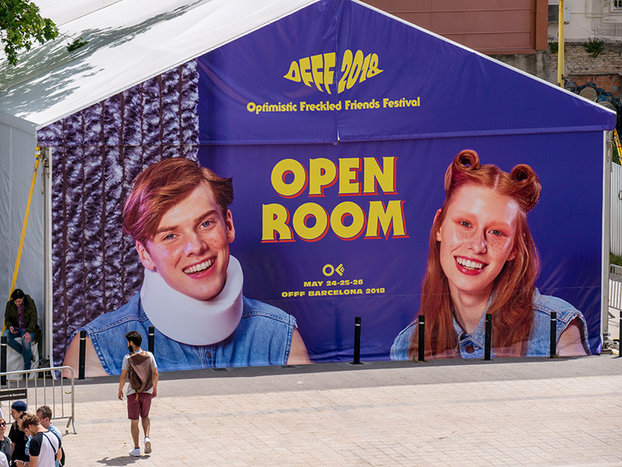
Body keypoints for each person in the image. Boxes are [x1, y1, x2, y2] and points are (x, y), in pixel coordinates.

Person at [63, 157, 310, 376]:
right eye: (170, 236)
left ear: (228, 225)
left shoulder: (280, 338)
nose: (196, 247)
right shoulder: (95, 351)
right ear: (145, 254)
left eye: (206, 224)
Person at [391, 149, 590, 360]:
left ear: (514, 248)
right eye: (465, 224)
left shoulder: (556, 328)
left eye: (496, 232)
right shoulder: (407, 345)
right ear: (438, 226)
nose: (478, 246)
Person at [117, 331, 158, 457]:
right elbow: (155, 374)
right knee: (145, 416)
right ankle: (147, 437)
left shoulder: (127, 358)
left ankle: (136, 448)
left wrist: (120, 389)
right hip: (147, 391)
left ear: (131, 343)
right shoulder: (149, 355)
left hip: (133, 393)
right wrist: (154, 388)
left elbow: (123, 376)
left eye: (128, 342)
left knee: (134, 421)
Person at [3, 290, 40, 371]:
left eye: (19, 301)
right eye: (15, 301)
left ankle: (27, 368)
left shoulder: (29, 303)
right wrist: (10, 326)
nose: (17, 303)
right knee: (5, 337)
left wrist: (28, 332)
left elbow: (33, 319)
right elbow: (7, 318)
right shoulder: (9, 304)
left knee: (26, 343)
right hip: (16, 328)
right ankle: (28, 355)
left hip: (27, 328)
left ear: (23, 298)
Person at [8, 401, 28, 467]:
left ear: (20, 412)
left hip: (26, 460)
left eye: (13, 412)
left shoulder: (30, 426)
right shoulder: (14, 426)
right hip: (16, 459)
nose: (11, 414)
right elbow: (13, 444)